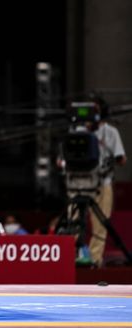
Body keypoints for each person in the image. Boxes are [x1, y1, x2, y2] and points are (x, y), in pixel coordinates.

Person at [88, 96, 127, 267]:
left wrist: (112, 159)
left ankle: (94, 259)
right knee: (73, 220)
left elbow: (122, 158)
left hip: (103, 182)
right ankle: (70, 257)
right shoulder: (79, 130)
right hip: (81, 182)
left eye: (94, 109)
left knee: (100, 223)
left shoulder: (111, 132)